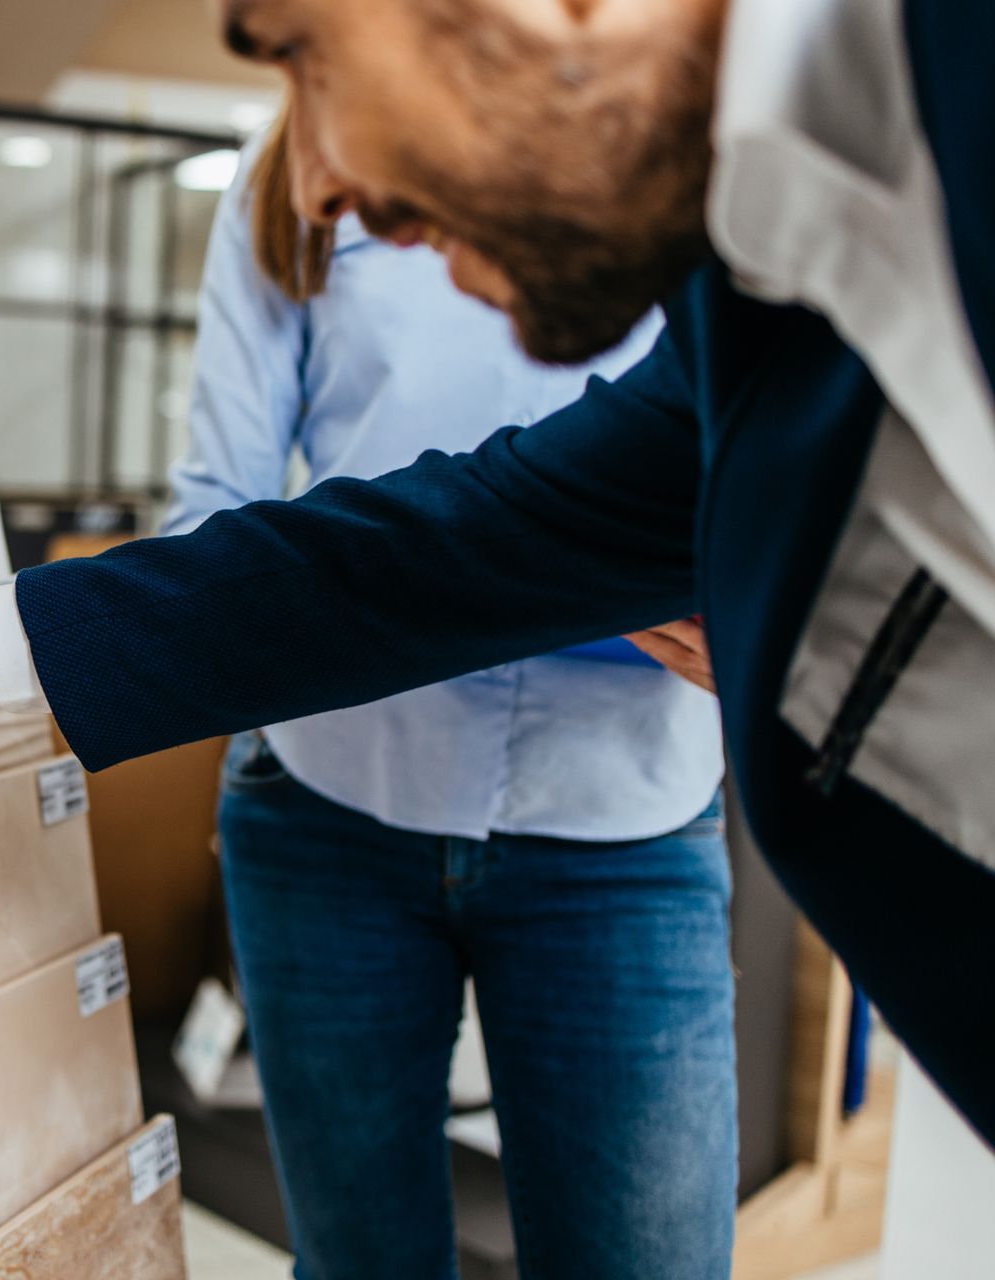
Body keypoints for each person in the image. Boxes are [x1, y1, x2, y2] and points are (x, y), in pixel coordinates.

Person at [0, 0, 995, 1144]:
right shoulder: (757, 304)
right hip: (335, 799)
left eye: (302, 51)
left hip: (619, 817)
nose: (320, 186)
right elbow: (408, 561)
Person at [165, 117, 733, 1278]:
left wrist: (751, 594)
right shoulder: (296, 170)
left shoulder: (697, 148)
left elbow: (763, 463)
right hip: (330, 801)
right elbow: (212, 514)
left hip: (624, 817)